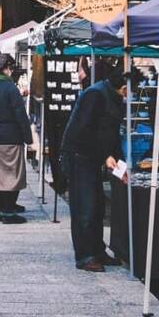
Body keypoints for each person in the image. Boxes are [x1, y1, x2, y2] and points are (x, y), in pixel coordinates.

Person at [61, 66, 128, 272]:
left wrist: (120, 164)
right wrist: (105, 156)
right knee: (85, 206)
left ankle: (97, 250)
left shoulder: (114, 97)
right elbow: (84, 131)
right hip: (79, 156)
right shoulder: (95, 95)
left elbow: (112, 134)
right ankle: (85, 255)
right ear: (123, 87)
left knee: (97, 205)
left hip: (93, 157)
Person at [0, 53, 33, 225]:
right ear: (4, 69)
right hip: (11, 137)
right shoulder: (10, 88)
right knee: (12, 175)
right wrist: (28, 137)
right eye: (9, 68)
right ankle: (8, 211)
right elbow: (20, 114)